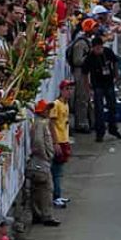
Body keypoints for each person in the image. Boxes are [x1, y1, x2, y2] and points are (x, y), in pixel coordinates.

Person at [83, 36, 121, 142]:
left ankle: (113, 129)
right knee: (99, 110)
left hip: (109, 83)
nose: (99, 50)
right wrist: (88, 89)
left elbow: (115, 62)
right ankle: (100, 133)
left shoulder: (108, 52)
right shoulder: (89, 57)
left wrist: (116, 74)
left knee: (112, 107)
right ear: (92, 48)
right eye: (96, 48)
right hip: (97, 85)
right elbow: (85, 74)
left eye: (100, 48)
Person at [28, 101, 60, 227]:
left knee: (36, 189)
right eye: (46, 109)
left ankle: (37, 214)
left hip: (38, 160)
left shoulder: (38, 123)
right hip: (41, 160)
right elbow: (38, 142)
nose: (48, 111)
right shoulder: (40, 124)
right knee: (47, 188)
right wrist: (46, 155)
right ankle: (46, 216)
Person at [69, 19, 95, 133]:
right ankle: (81, 123)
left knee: (87, 98)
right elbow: (77, 60)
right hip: (80, 73)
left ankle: (89, 121)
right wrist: (90, 57)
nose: (96, 29)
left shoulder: (86, 41)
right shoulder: (80, 43)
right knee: (82, 98)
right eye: (94, 27)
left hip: (85, 72)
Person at [51, 79, 74, 208]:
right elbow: (52, 123)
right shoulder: (56, 104)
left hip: (64, 140)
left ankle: (58, 195)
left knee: (59, 170)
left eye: (71, 89)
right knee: (56, 171)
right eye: (67, 89)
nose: (69, 92)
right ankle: (56, 196)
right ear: (61, 90)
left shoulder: (65, 104)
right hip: (59, 141)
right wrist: (55, 142)